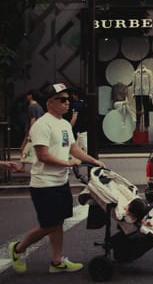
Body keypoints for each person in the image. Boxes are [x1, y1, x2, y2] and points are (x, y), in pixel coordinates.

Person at [9, 83, 106, 275]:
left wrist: (94, 161)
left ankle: (56, 261)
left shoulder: (64, 124)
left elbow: (73, 149)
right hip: (44, 184)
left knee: (59, 222)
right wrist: (68, 163)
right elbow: (43, 155)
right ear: (50, 103)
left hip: (60, 182)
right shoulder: (41, 125)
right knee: (49, 225)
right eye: (62, 100)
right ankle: (18, 248)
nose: (67, 103)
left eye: (68, 99)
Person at [18, 90, 45, 171]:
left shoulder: (32, 106)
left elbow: (33, 119)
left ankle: (23, 167)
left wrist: (30, 133)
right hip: (38, 130)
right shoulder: (38, 106)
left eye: (27, 95)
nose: (26, 97)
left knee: (23, 148)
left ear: (30, 96)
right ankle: (23, 166)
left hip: (32, 130)